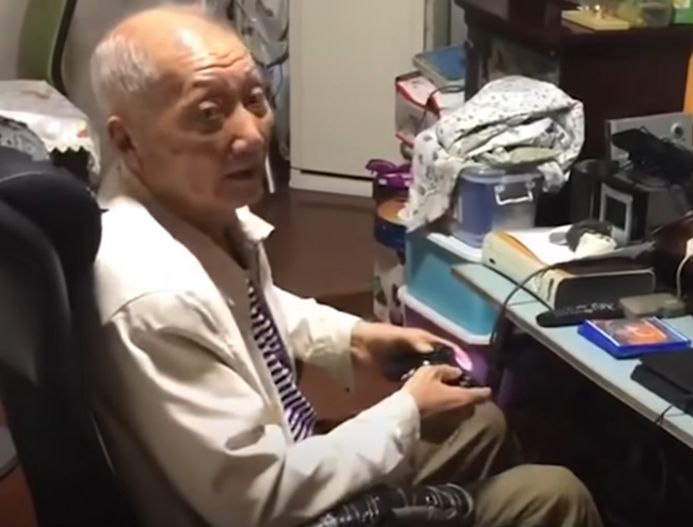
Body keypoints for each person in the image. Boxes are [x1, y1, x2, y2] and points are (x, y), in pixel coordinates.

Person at [88, 5, 603, 527]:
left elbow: (242, 307)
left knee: (480, 422)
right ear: (127, 140)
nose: (251, 134)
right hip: (270, 507)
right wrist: (406, 411)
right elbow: (258, 500)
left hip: (285, 460)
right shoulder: (155, 298)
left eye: (254, 99)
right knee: (553, 495)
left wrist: (354, 338)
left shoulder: (191, 215)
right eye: (208, 114)